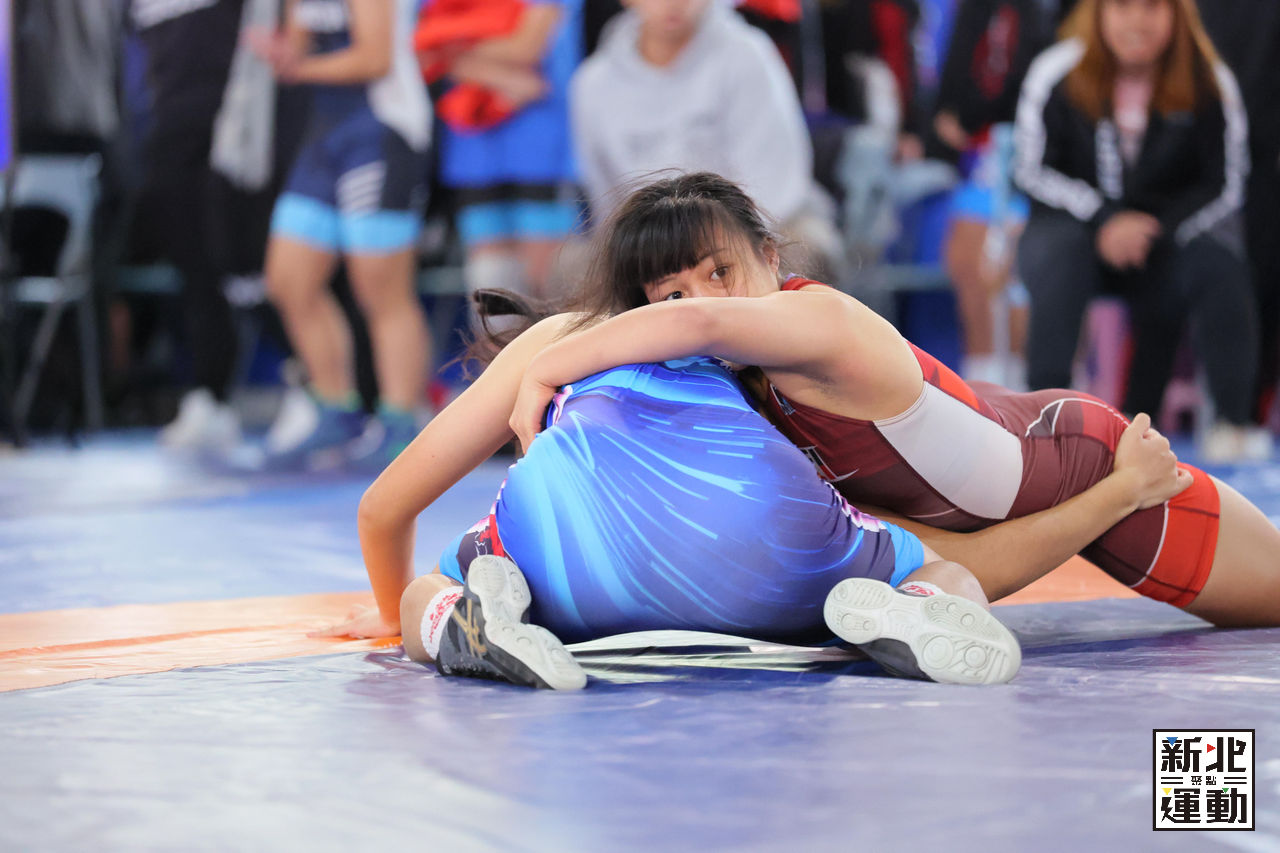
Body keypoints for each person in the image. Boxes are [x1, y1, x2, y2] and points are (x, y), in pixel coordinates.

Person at [508, 172, 1280, 629]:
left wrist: (544, 370)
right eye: (672, 292)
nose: (704, 301)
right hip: (1044, 484)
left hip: (1094, 457)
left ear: (772, 258)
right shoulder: (747, 401)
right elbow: (966, 561)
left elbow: (701, 322)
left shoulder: (818, 319)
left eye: (720, 271)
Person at [1013, 0, 1267, 462]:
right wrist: (1104, 219)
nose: (1137, 21)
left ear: (1176, 14)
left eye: (1152, 7)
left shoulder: (1209, 78)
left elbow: (1225, 184)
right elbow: (1030, 170)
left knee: (1218, 266)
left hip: (1162, 236)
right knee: (1060, 255)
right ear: (1098, 12)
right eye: (1123, 6)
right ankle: (1043, 421)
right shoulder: (1056, 70)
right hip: (1073, 230)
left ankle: (1232, 423)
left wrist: (1155, 230)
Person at [250, 0, 433, 471]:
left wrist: (298, 67)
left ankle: (401, 423)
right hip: (325, 135)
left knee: (381, 288)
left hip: (381, 131)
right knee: (289, 279)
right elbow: (299, 45)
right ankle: (335, 409)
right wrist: (281, 53)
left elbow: (375, 58)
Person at [569, 0, 842, 278]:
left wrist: (716, 249)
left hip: (755, 227)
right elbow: (608, 202)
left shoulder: (748, 54)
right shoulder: (592, 84)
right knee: (574, 270)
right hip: (653, 239)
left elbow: (774, 184)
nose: (672, 4)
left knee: (807, 247)